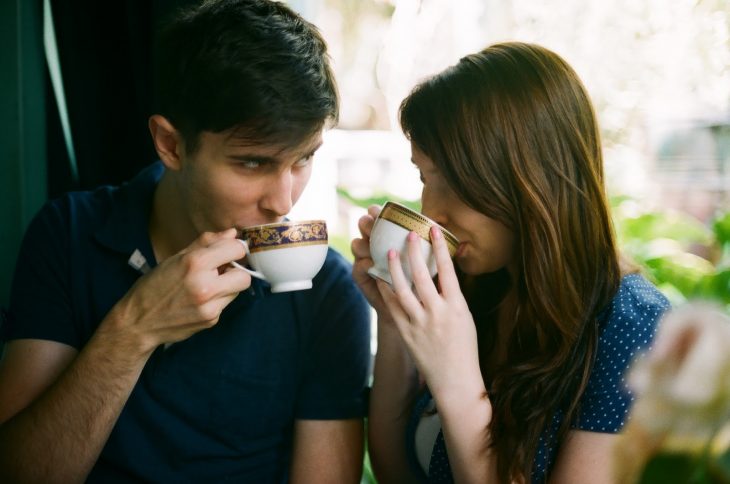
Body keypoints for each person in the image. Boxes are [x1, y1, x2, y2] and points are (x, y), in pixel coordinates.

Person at [0, 0, 371, 482]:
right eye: (253, 163)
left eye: (303, 159)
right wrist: (133, 331)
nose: (283, 202)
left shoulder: (327, 291)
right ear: (171, 145)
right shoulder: (68, 233)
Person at [351, 42, 671, 483]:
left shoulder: (634, 329)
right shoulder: (478, 289)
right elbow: (397, 473)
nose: (433, 210)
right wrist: (393, 320)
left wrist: (458, 383)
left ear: (529, 178)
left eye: (457, 182)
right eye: (426, 178)